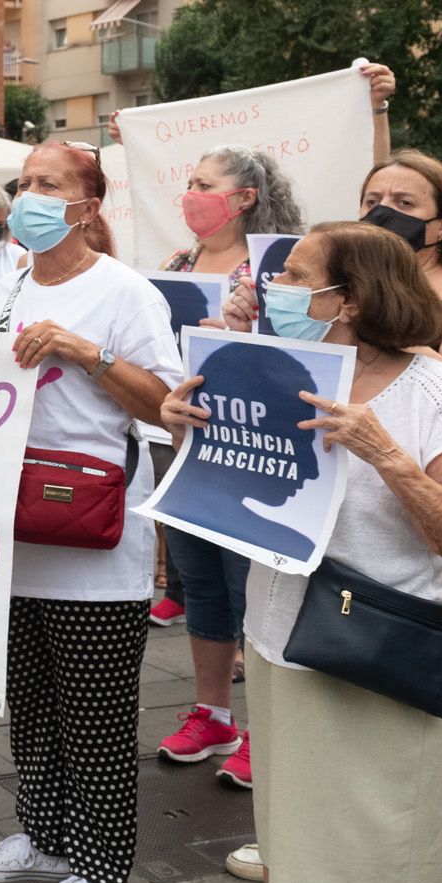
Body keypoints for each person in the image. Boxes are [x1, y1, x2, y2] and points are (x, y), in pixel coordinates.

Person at [183, 222, 442, 883]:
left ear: (351, 299)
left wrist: (385, 452)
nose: (276, 287)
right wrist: (190, 420)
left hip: (388, 638)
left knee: (398, 832)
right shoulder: (277, 367)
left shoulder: (434, 390)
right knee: (290, 820)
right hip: (284, 630)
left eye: (296, 277)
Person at [0, 142, 181, 883]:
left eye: (49, 185)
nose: (28, 198)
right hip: (12, 533)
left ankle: (99, 865)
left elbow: (165, 407)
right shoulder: (4, 286)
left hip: (95, 540)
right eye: (24, 185)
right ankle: (44, 835)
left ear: (89, 206)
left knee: (95, 717)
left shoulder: (125, 293)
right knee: (34, 707)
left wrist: (86, 350)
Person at [152, 147, 305, 791]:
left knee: (252, 588)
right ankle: (213, 712)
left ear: (244, 197)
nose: (191, 193)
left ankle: (266, 732)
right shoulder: (176, 265)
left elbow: (309, 350)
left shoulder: (279, 267)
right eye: (190, 181)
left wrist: (253, 328)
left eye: (204, 184)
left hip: (254, 447)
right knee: (201, 582)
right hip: (189, 442)